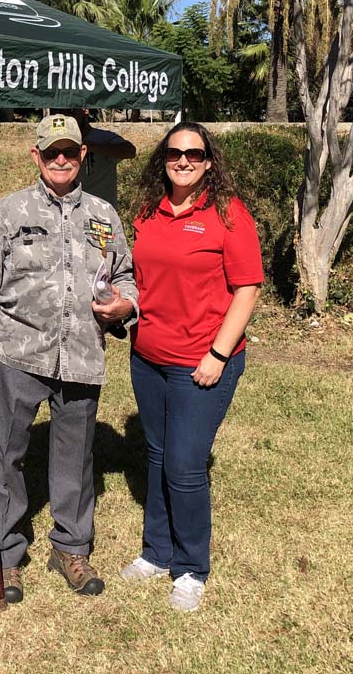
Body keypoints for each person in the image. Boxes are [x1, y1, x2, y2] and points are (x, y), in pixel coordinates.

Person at [0, 113, 137, 604]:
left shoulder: (105, 216)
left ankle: (71, 548)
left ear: (82, 156)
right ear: (36, 155)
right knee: (5, 457)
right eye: (51, 151)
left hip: (82, 356)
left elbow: (127, 278)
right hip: (19, 355)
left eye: (69, 151)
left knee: (75, 459)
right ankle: (7, 553)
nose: (61, 159)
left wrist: (126, 307)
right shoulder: (10, 212)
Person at [120, 122, 263, 613]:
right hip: (148, 358)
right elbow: (140, 278)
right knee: (158, 456)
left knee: (184, 465)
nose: (183, 161)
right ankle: (156, 552)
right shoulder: (148, 211)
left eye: (194, 154)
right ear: (162, 159)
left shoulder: (227, 213)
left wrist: (218, 354)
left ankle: (190, 567)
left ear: (209, 161)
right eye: (174, 152)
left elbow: (247, 288)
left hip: (201, 362)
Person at [67, 108, 136, 208]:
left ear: (85, 110)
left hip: (102, 209)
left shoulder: (103, 137)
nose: (69, 117)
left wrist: (92, 147)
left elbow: (130, 151)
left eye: (73, 111)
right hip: (72, 208)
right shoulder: (62, 141)